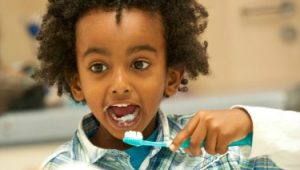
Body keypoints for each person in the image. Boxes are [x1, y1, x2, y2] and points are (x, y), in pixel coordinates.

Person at [35, 0, 299, 169]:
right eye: (98, 67)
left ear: (171, 78)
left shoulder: (221, 152)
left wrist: (251, 124)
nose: (119, 85)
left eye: (139, 64)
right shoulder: (62, 166)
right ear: (77, 84)